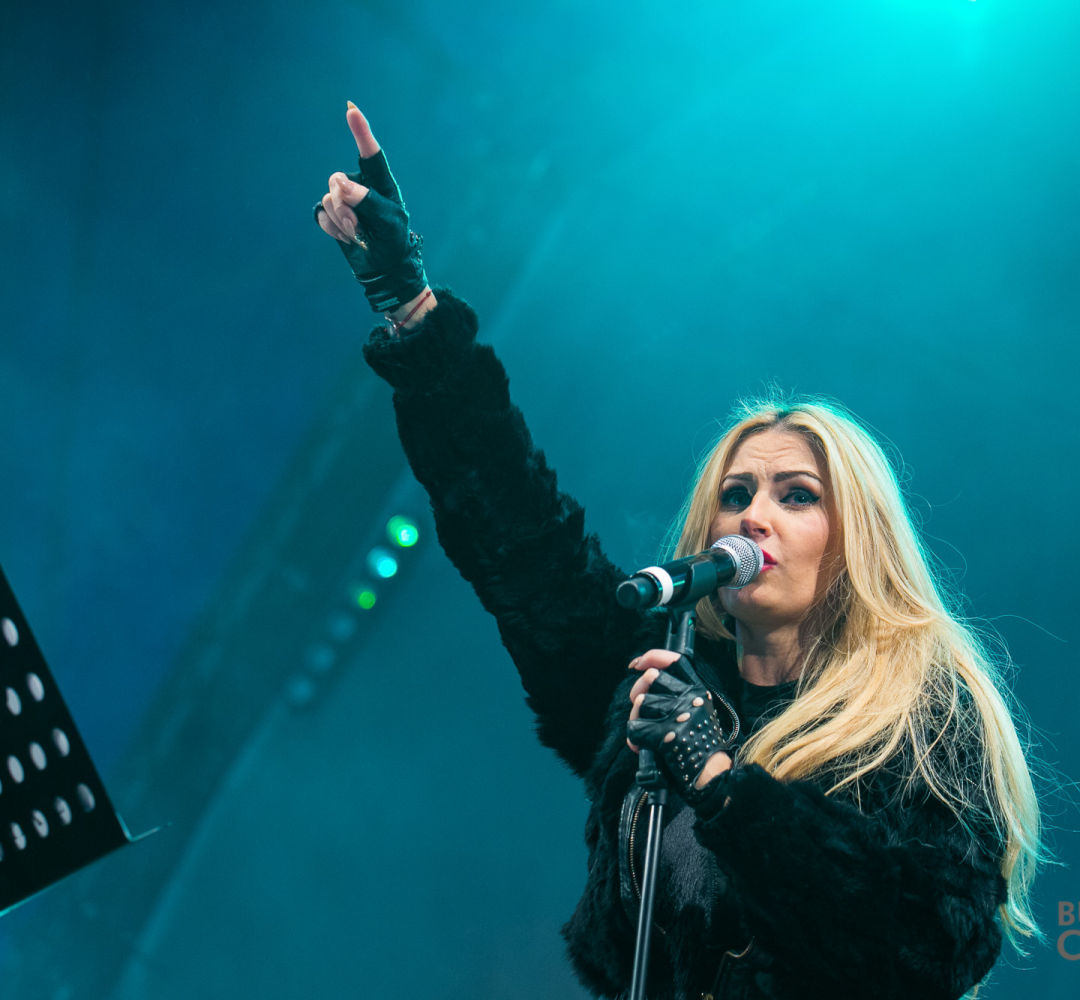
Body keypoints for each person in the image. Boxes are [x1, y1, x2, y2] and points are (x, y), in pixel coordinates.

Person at [315, 103, 1044, 1000]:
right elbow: (521, 540)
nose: (754, 516)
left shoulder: (921, 716)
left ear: (858, 542)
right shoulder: (658, 682)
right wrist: (412, 306)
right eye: (735, 496)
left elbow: (928, 944)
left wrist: (723, 785)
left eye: (796, 495)